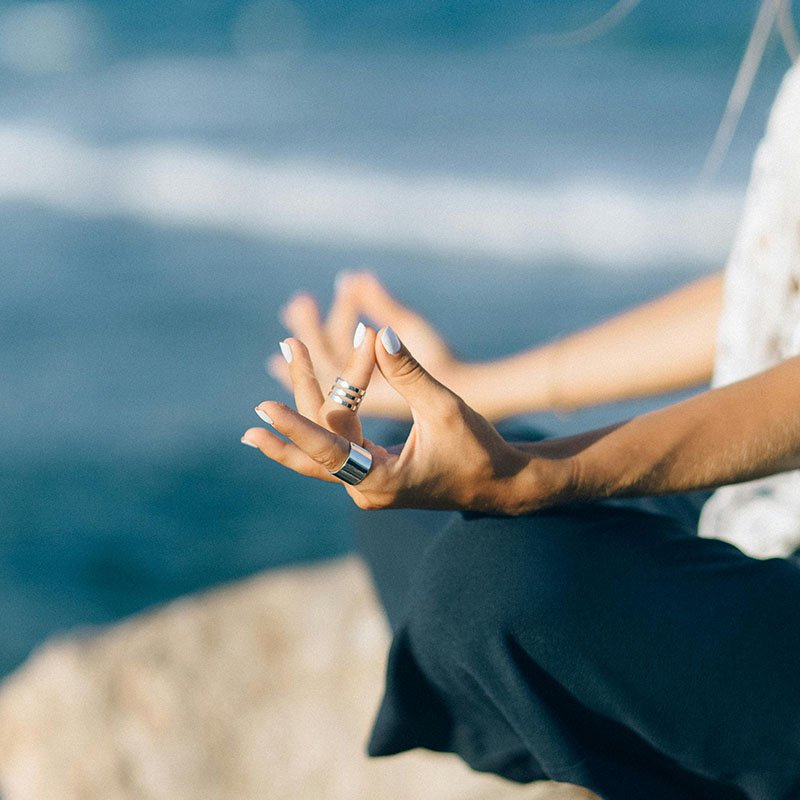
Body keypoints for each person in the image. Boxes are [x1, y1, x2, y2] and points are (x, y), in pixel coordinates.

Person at [241, 59, 800, 799]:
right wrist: (478, 392)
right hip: (764, 506)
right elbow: (773, 284)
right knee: (420, 508)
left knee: (495, 590)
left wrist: (545, 473)